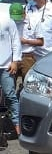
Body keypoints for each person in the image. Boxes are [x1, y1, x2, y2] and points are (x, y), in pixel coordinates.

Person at [0, 8, 22, 136]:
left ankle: (17, 126)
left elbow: (15, 41)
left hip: (6, 65)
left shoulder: (7, 19)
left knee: (10, 96)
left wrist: (15, 61)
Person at [8, 2, 27, 92]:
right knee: (9, 84)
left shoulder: (32, 23)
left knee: (28, 84)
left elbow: (41, 42)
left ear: (24, 13)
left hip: (27, 56)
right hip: (11, 57)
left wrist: (25, 41)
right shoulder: (7, 23)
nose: (16, 20)